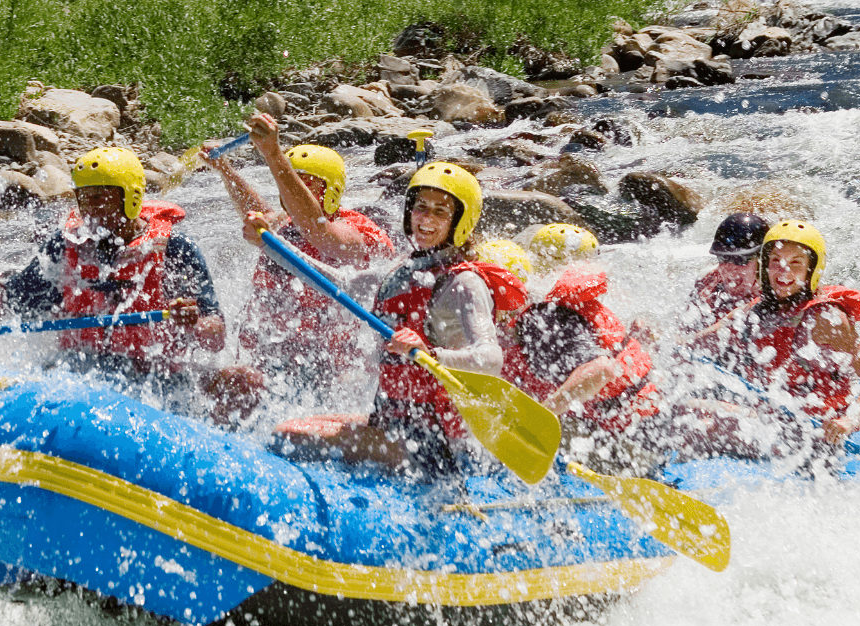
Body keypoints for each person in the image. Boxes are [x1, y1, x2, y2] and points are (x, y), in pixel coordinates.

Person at [0, 147, 258, 420]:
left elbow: (215, 337)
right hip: (80, 371)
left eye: (101, 198)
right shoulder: (66, 248)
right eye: (84, 199)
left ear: (130, 198)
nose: (91, 210)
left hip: (158, 376)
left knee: (243, 381)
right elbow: (9, 297)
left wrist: (193, 323)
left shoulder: (175, 250)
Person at [252, 161, 526, 480]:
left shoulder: (463, 283)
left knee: (288, 434)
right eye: (421, 207)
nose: (426, 219)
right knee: (302, 423)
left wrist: (430, 353)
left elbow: (491, 358)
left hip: (436, 442)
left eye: (440, 212)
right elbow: (339, 286)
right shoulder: (405, 269)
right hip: (396, 421)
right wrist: (270, 245)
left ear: (460, 221)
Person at [207, 113, 395, 383]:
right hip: (270, 355)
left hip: (329, 366)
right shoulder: (285, 223)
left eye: (305, 183)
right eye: (291, 182)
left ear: (332, 189)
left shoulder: (360, 232)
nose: (292, 190)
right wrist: (225, 170)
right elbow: (257, 210)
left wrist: (273, 155)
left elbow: (320, 233)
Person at [692, 220, 860, 446]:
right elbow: (698, 343)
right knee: (688, 409)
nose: (783, 271)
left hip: (820, 433)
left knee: (698, 422)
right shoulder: (756, 310)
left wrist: (850, 420)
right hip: (777, 422)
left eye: (795, 263)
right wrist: (657, 339)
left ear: (811, 270)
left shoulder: (826, 318)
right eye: (775, 261)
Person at [497, 224, 661, 440]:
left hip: (627, 434)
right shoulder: (583, 299)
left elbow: (602, 370)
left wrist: (537, 420)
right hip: (652, 410)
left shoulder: (543, 319)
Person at [681, 213, 770, 333]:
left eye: (740, 260)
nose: (730, 268)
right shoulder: (707, 282)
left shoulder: (774, 294)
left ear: (762, 260)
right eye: (723, 258)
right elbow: (682, 332)